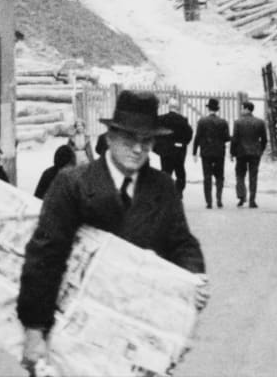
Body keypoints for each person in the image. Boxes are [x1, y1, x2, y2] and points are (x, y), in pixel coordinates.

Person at [17, 90, 209, 375]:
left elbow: (181, 242)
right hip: (75, 337)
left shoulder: (162, 188)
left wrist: (192, 276)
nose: (138, 149)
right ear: (110, 137)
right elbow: (45, 255)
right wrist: (34, 331)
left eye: (146, 141)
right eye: (130, 139)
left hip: (135, 340)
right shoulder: (73, 185)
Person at [193, 97, 230, 209]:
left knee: (207, 176)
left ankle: (209, 201)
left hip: (206, 152)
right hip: (219, 152)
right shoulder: (223, 122)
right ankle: (219, 199)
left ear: (208, 109)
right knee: (219, 176)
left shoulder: (202, 121)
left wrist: (194, 152)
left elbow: (197, 137)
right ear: (217, 109)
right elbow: (227, 138)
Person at [230, 100, 268, 208]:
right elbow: (264, 139)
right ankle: (252, 200)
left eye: (242, 108)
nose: (241, 110)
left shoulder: (238, 122)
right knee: (253, 176)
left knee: (240, 175)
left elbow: (235, 139)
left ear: (247, 109)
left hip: (241, 153)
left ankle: (242, 197)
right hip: (255, 153)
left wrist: (232, 153)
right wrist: (260, 150)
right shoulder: (260, 122)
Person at [154, 98, 193, 195]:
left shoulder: (161, 119)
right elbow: (189, 134)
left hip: (165, 151)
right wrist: (184, 144)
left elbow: (155, 134)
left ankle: (166, 194)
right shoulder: (183, 120)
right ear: (178, 108)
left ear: (169, 107)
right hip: (179, 151)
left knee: (166, 173)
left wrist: (157, 149)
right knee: (180, 172)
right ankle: (179, 192)